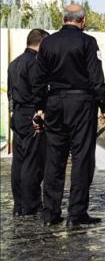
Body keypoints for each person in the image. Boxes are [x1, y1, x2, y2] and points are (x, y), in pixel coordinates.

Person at [31, 4, 105, 227]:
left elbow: (38, 78)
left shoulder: (48, 43)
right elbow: (96, 78)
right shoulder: (88, 42)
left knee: (54, 158)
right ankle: (76, 214)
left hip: (54, 102)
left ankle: (50, 213)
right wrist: (103, 107)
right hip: (81, 104)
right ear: (82, 21)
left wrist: (40, 107)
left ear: (63, 18)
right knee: (81, 158)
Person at [7, 29, 49, 217]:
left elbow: (10, 93)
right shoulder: (35, 63)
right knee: (33, 162)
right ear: (41, 43)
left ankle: (19, 205)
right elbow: (38, 91)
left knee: (19, 161)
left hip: (17, 114)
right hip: (32, 113)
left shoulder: (14, 63)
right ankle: (31, 205)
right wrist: (40, 112)